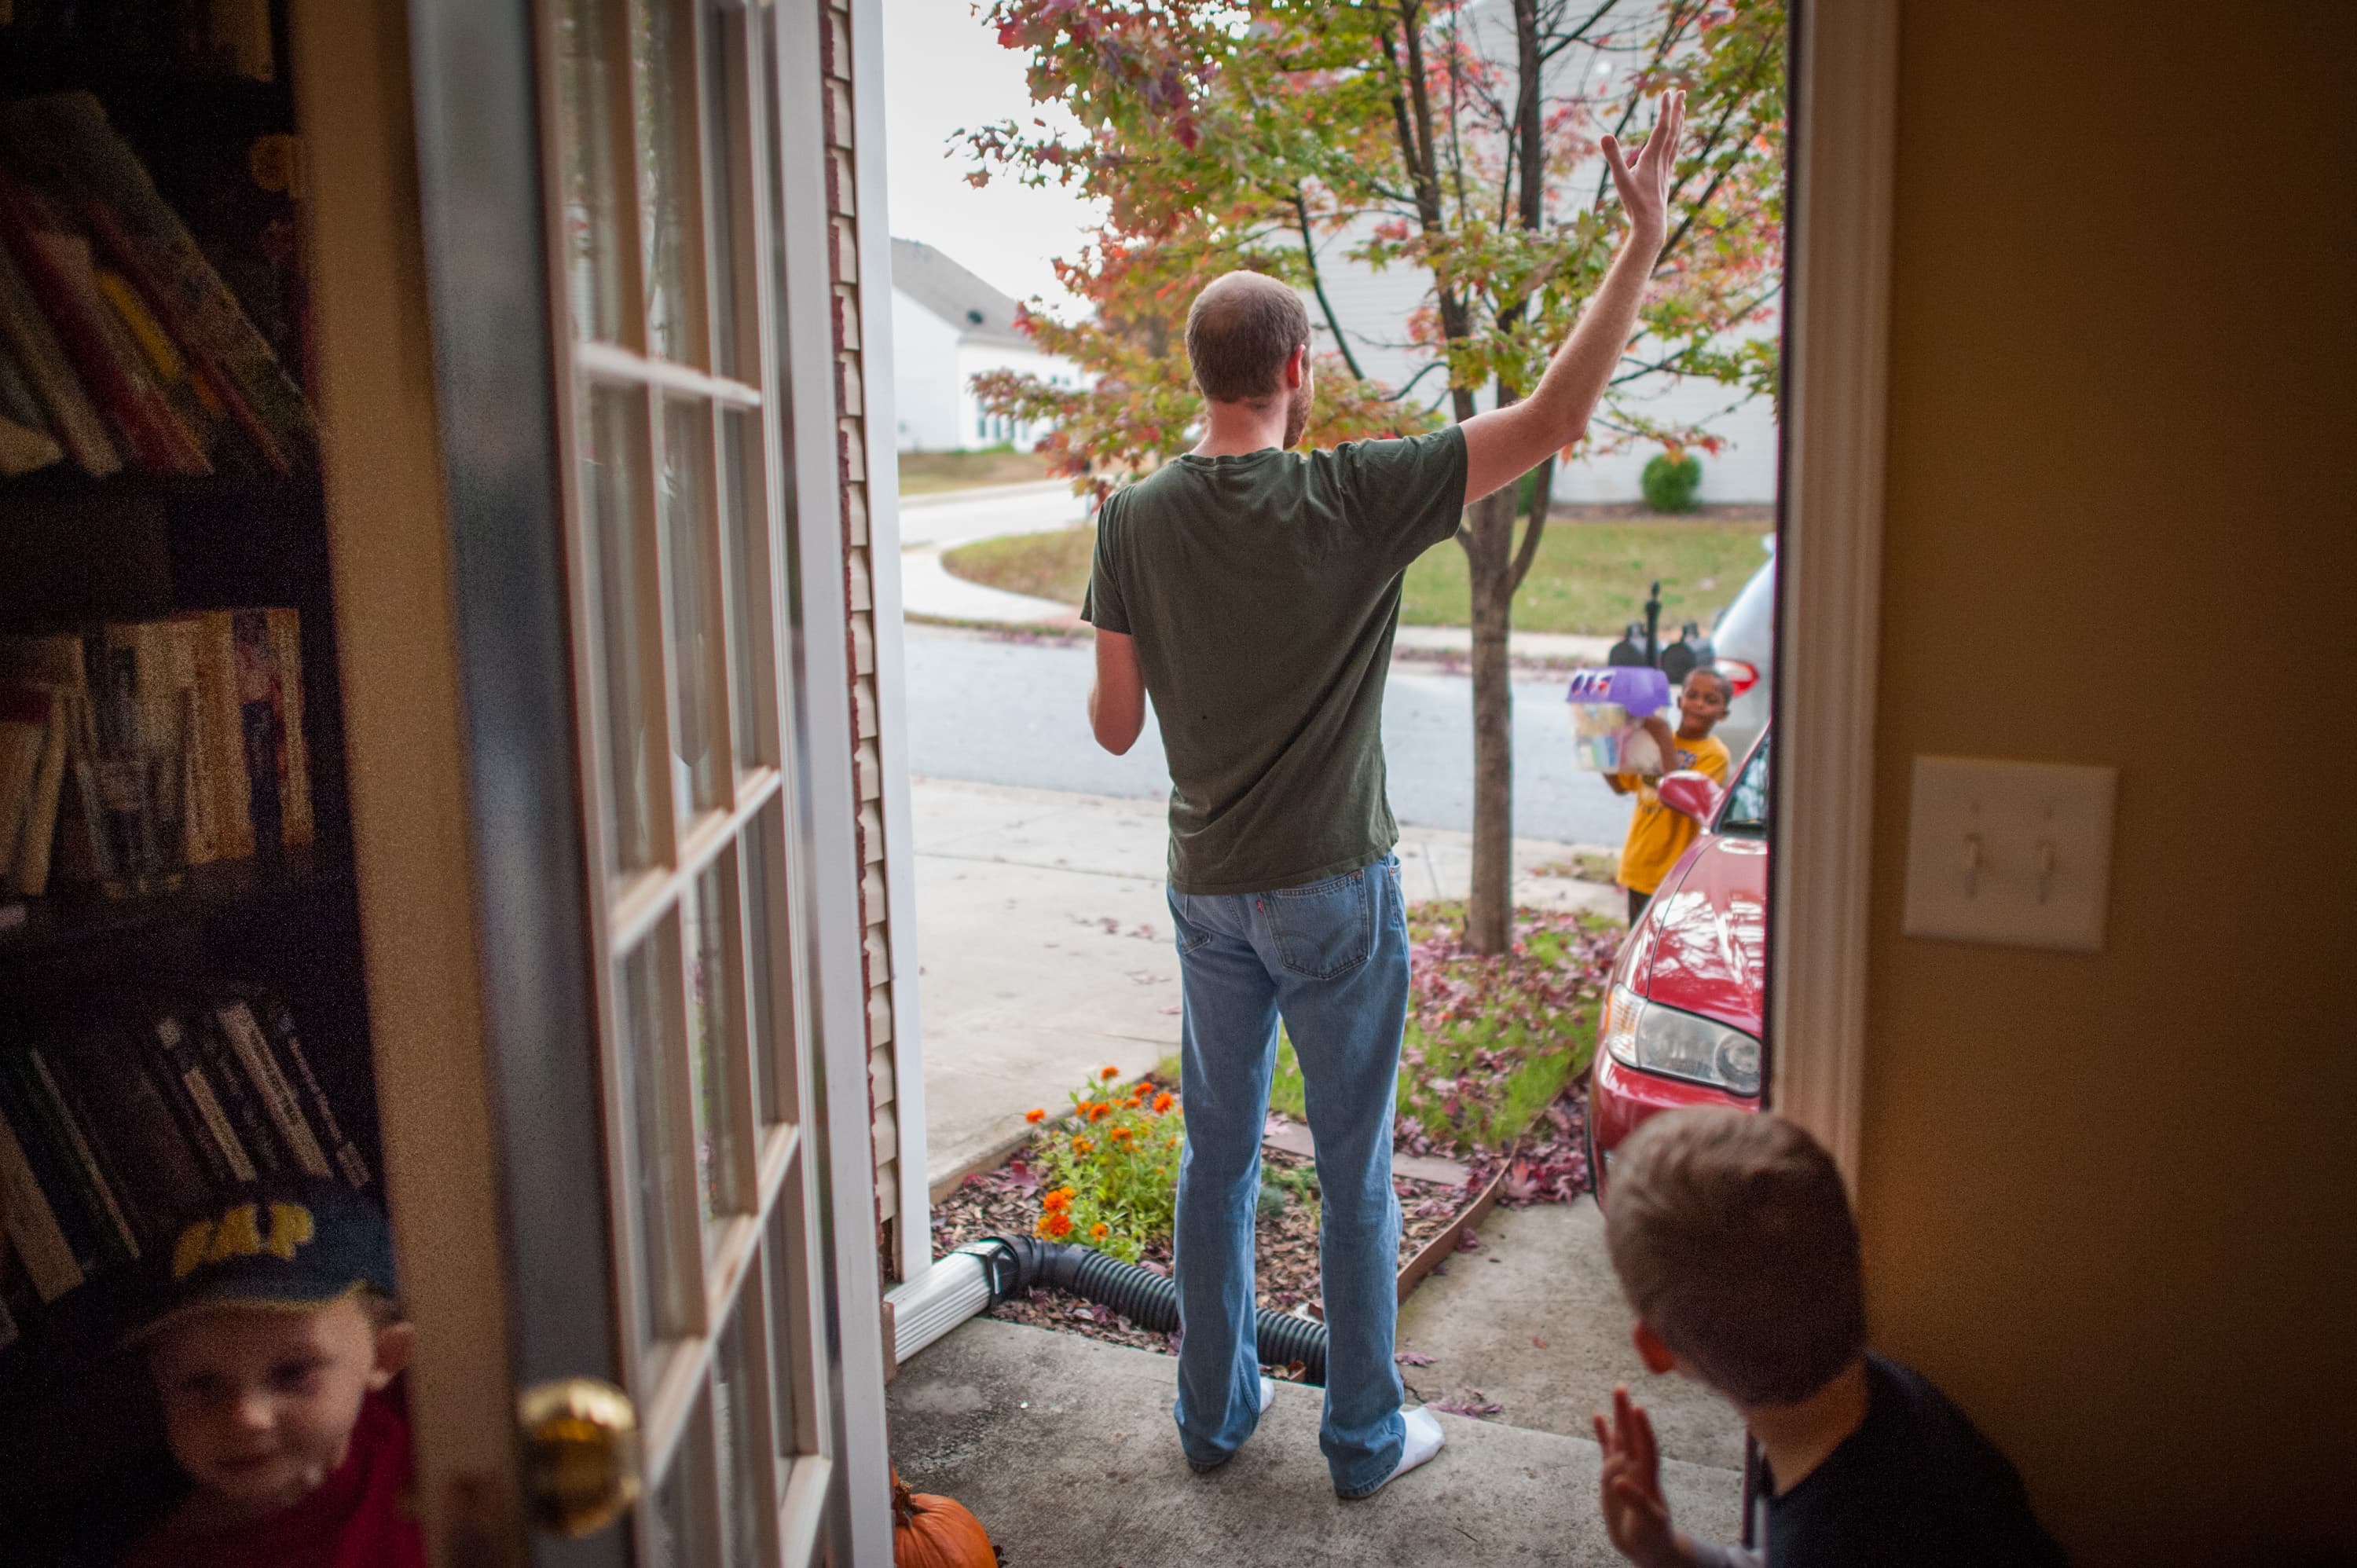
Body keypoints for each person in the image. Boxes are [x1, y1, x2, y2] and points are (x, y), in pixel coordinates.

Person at [1081, 90, 1691, 1497]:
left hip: (1208, 889)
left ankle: (1211, 1418)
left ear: (1199, 373)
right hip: (1333, 889)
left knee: (1216, 1157)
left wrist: (1161, 625)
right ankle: (1362, 1437)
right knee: (1353, 1169)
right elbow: (1558, 414)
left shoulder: (1130, 517)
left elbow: (1116, 731)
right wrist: (1642, 236)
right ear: (1298, 366)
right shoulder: (1358, 494)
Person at [1593, 1108, 2068, 1567]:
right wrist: (1666, 1554)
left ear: (1655, 1351)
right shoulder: (1907, 1408)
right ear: (1860, 1273)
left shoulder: (1834, 1536)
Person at [118, 1180, 423, 1568]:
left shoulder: (428, 1417)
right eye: (202, 1384)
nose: (245, 1417)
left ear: (384, 1356)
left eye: (292, 1373)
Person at [1605, 666, 1733, 926]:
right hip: (1640, 865)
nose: (1698, 704)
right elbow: (1621, 785)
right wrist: (1604, 746)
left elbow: (1678, 797)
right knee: (1640, 949)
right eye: (1692, 695)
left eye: (1710, 701)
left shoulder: (1715, 755)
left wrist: (1665, 740)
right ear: (1679, 701)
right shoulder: (1652, 739)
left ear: (1723, 714)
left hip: (1677, 875)